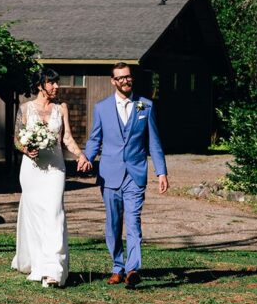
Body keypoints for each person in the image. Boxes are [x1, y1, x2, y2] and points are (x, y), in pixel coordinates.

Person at [77, 62, 168, 288]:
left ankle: (133, 268)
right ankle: (117, 266)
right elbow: (95, 139)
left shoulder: (145, 106)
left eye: (128, 77)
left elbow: (154, 143)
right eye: (120, 78)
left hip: (135, 174)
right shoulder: (102, 108)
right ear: (113, 81)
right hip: (110, 175)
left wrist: (161, 172)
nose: (125, 81)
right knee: (114, 224)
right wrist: (87, 157)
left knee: (134, 221)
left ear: (132, 78)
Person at [11, 69, 85, 287]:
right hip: (31, 170)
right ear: (40, 85)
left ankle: (54, 269)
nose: (56, 87)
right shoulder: (25, 109)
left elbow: (67, 138)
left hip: (55, 169)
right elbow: (16, 139)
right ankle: (38, 264)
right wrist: (25, 149)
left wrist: (81, 155)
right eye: (52, 83)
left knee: (54, 213)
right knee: (35, 218)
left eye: (57, 83)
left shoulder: (61, 109)